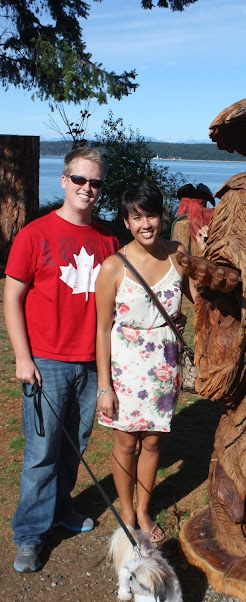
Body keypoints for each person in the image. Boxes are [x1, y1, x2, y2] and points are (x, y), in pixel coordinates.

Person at [4, 148, 119, 573]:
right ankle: (30, 533)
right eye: (80, 180)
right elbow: (12, 296)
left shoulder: (108, 240)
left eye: (95, 183)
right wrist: (22, 356)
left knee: (75, 446)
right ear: (64, 181)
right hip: (46, 361)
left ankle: (61, 510)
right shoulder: (34, 234)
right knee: (41, 453)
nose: (87, 189)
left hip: (92, 363)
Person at [95, 181, 198, 543]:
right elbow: (102, 329)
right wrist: (104, 387)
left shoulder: (178, 254)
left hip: (163, 366)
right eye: (136, 217)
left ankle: (143, 510)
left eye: (151, 215)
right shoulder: (113, 267)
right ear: (126, 221)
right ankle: (126, 511)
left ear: (161, 216)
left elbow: (201, 298)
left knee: (153, 443)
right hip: (125, 369)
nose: (145, 224)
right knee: (125, 443)